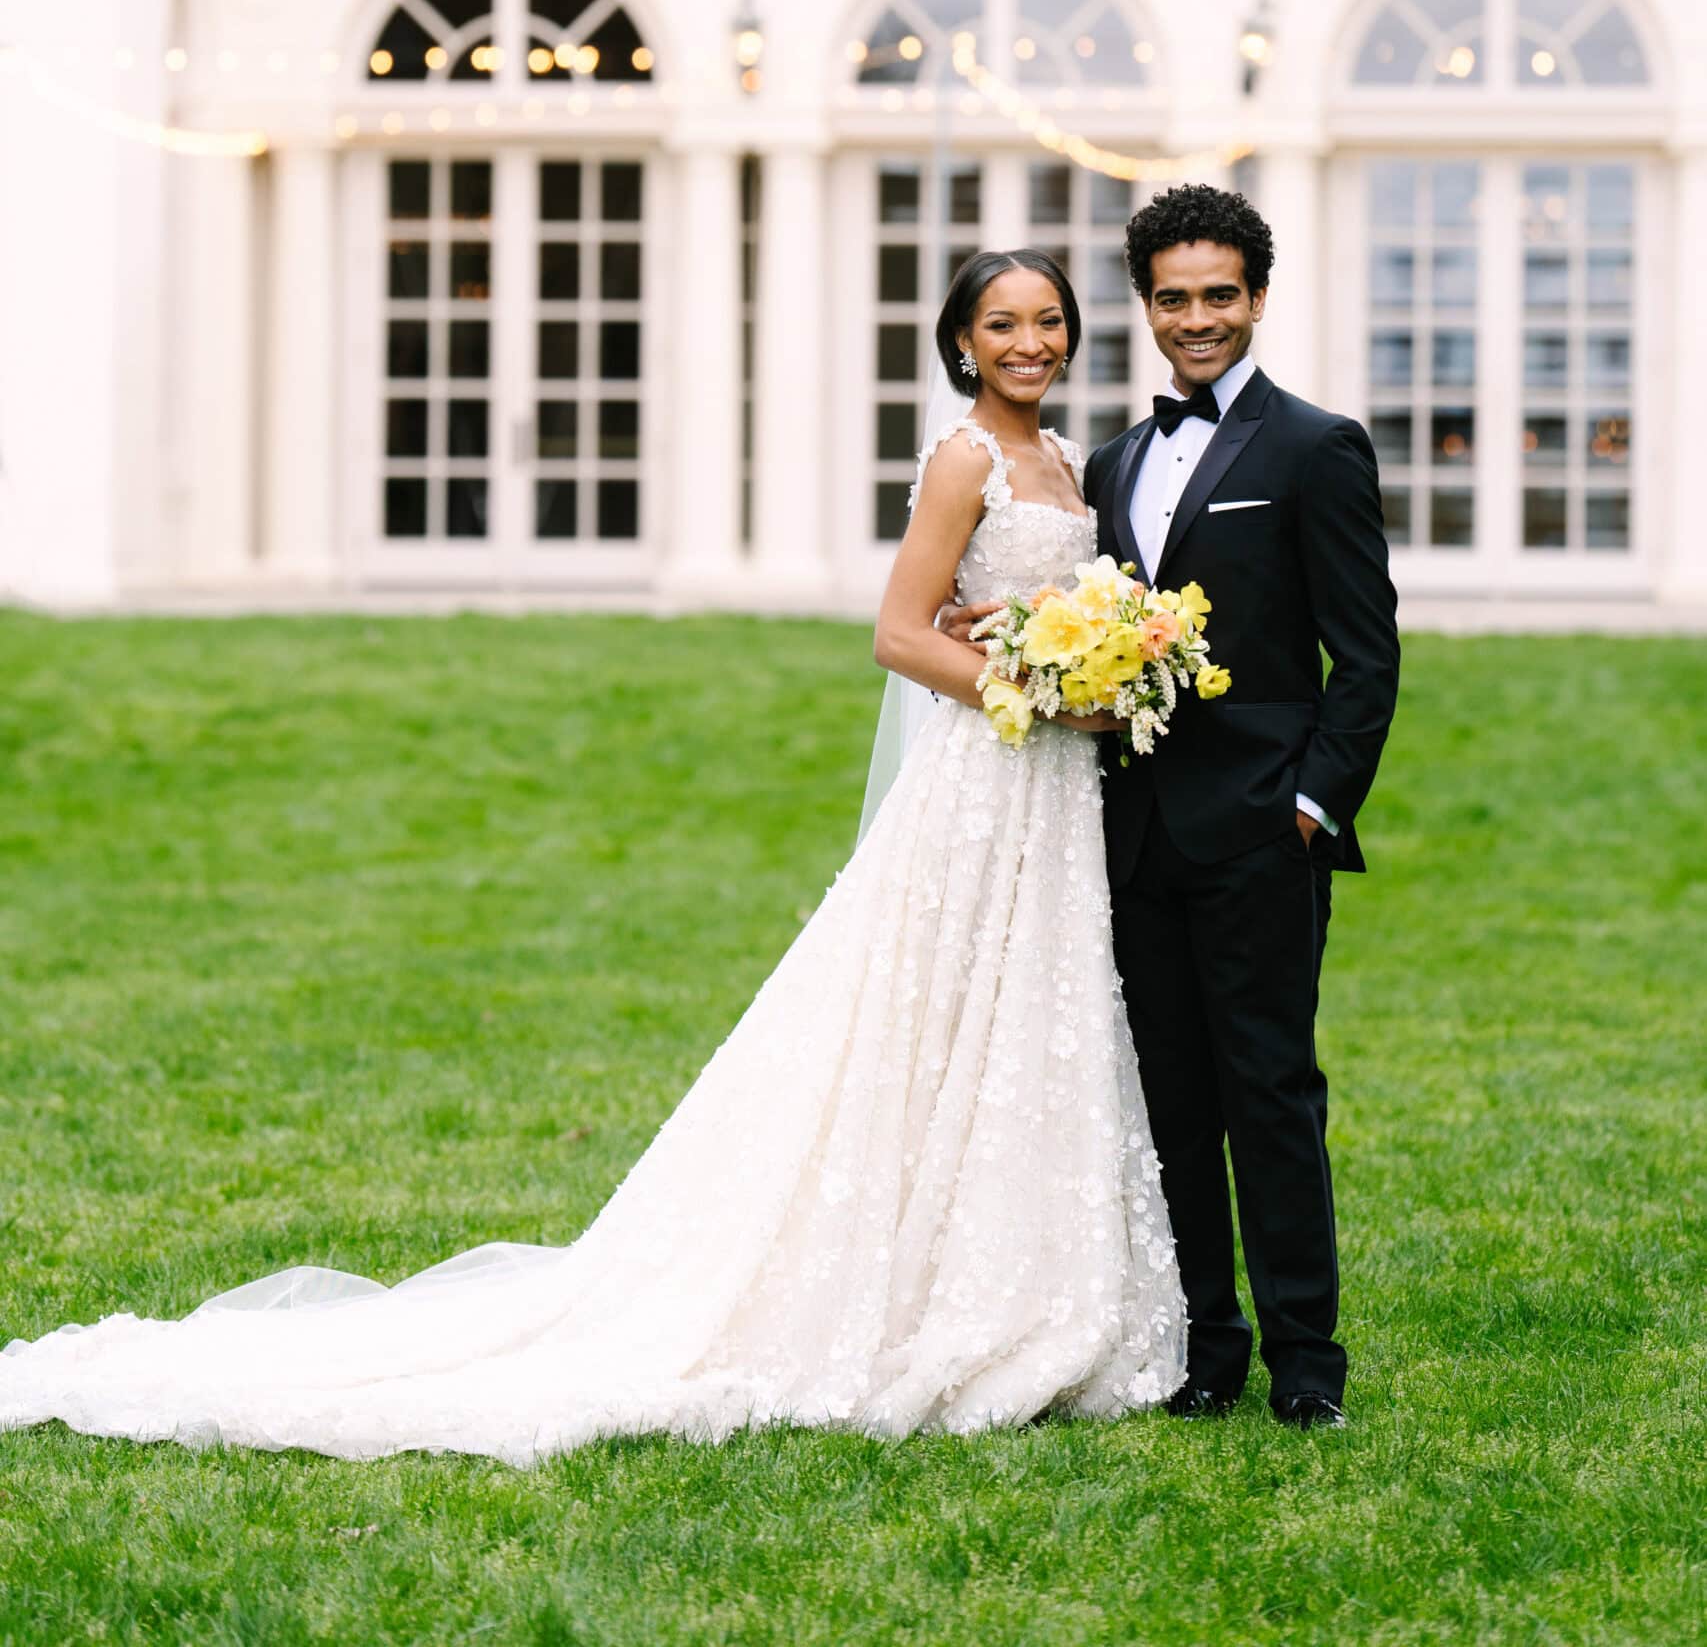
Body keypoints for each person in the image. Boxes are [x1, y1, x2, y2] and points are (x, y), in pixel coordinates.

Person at [0, 251, 1185, 1464]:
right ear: (962, 342)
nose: (1029, 342)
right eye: (1003, 324)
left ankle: (1004, 1274)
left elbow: (1014, 606)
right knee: (927, 1016)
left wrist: (1081, 656)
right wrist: (1034, 685)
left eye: (1047, 321)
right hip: (986, 779)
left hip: (1054, 797)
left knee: (1020, 1021)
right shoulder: (966, 458)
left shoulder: (1067, 463)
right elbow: (897, 631)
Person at [942, 182, 1399, 1429]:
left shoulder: (1318, 447)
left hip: (1261, 829)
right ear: (1146, 306)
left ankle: (1308, 1360)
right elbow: (1090, 625)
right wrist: (1012, 635)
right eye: (1173, 298)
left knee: (1270, 1091)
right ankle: (1213, 1345)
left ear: (1255, 297)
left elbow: (1366, 655)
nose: (1197, 319)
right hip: (1125, 829)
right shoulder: (1112, 460)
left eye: (1219, 296)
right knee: (1172, 1099)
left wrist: (1312, 805)